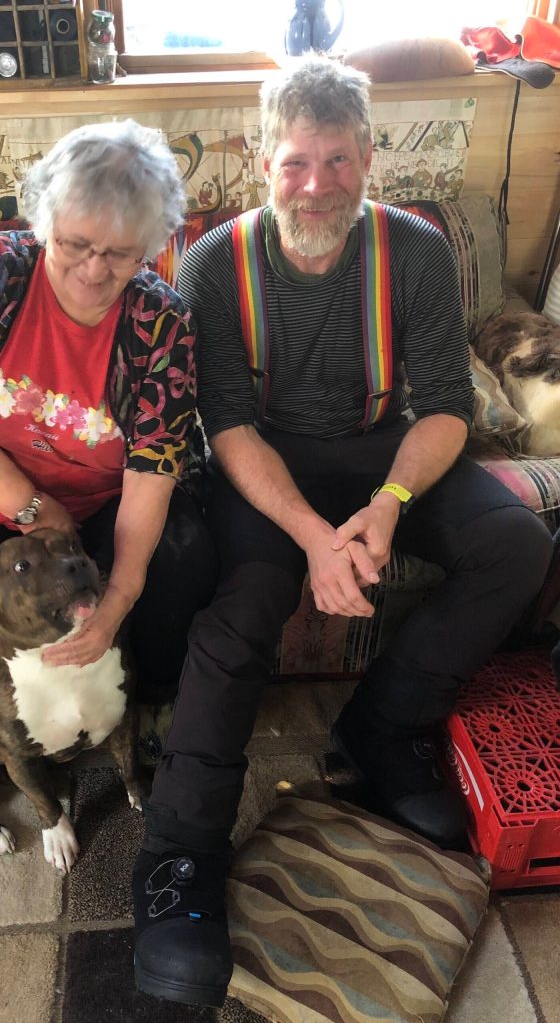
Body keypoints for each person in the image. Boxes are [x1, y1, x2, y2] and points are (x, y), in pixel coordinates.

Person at [131, 56, 554, 1008]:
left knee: (517, 545)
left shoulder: (414, 253)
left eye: (335, 159)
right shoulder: (212, 264)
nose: (315, 184)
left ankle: (386, 723)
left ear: (370, 157)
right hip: (266, 466)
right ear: (259, 161)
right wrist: (316, 538)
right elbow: (227, 425)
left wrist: (388, 506)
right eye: (294, 163)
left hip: (382, 452)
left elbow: (445, 405)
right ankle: (179, 856)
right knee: (242, 612)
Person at [0, 119, 217, 789]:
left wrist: (117, 600)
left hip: (102, 504)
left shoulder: (161, 323)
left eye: (119, 254)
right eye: (75, 243)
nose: (93, 270)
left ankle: (152, 710)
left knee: (183, 563)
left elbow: (154, 465)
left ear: (150, 245)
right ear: (44, 219)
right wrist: (32, 504)